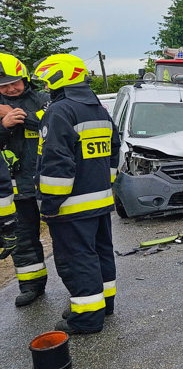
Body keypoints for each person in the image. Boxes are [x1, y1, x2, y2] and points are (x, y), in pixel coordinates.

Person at [33, 54, 120, 334]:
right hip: (100, 201)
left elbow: (56, 163)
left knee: (77, 260)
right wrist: (102, 184)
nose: (46, 88)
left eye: (47, 82)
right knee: (101, 253)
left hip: (70, 206)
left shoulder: (60, 111)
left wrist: (49, 204)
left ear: (59, 78)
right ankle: (104, 304)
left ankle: (86, 318)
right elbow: (114, 151)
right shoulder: (98, 108)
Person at [0, 53, 51, 306]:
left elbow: (54, 123)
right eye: (3, 85)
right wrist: (4, 126)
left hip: (48, 183)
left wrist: (20, 115)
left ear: (24, 77)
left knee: (65, 237)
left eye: (14, 82)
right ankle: (32, 286)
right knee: (23, 240)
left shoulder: (42, 98)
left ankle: (78, 284)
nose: (10, 88)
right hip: (16, 187)